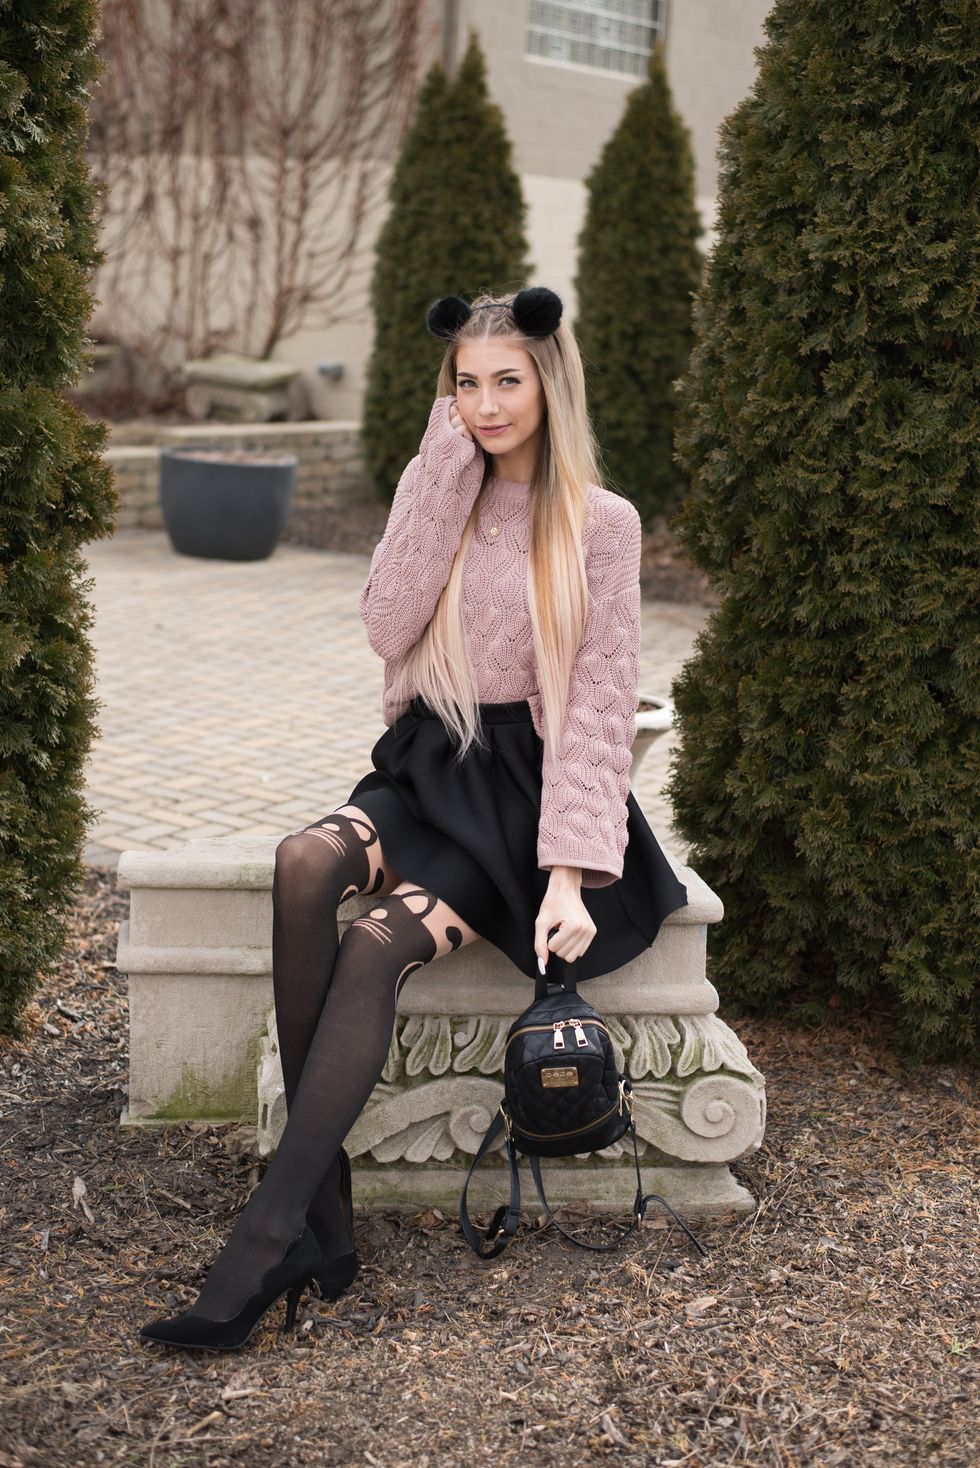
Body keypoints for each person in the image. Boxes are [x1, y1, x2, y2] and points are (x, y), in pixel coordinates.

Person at [138, 285, 688, 1353]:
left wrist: (570, 874)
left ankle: (270, 1234)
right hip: (431, 758)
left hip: (521, 797)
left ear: (549, 383)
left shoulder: (601, 524)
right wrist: (442, 467)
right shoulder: (441, 483)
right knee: (303, 861)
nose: (486, 405)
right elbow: (387, 622)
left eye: (507, 381)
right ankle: (321, 1209)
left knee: (376, 944)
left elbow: (599, 703)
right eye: (465, 384)